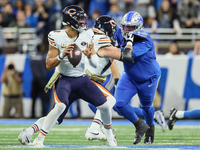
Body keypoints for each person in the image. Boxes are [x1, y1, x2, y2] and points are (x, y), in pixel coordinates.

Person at [18, 5, 117, 147]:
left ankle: (109, 138)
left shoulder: (87, 34)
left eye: (83, 19)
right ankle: (37, 139)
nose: (83, 22)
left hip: (83, 79)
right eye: (80, 19)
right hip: (65, 80)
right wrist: (62, 55)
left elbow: (95, 64)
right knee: (58, 111)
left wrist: (89, 56)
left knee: (106, 106)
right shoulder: (55, 36)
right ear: (70, 21)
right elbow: (48, 65)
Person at [113, 11, 161, 145]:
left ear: (139, 27)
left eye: (131, 28)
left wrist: (111, 47)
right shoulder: (119, 30)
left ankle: (150, 127)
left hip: (148, 79)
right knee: (119, 104)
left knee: (146, 107)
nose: (127, 30)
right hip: (129, 77)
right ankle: (140, 125)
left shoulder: (145, 39)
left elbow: (126, 55)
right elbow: (109, 29)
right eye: (125, 27)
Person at [30, 43, 49, 118]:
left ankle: (32, 114)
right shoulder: (42, 57)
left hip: (34, 79)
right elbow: (46, 68)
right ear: (40, 48)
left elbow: (31, 67)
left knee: (33, 98)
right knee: (43, 98)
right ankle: (43, 114)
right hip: (41, 79)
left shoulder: (32, 57)